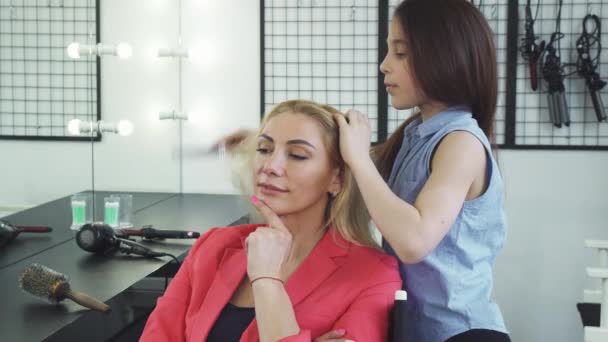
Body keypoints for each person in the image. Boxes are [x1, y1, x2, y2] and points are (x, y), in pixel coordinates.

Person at [140, 100, 401, 342]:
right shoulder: (213, 245)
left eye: (297, 155)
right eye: (264, 149)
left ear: (337, 179)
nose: (271, 166)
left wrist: (267, 281)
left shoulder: (374, 276)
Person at [333, 0, 511, 341]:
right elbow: (338, 159)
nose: (384, 66)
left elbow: (414, 241)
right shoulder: (416, 136)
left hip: (461, 333)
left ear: (446, 56)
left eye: (400, 54)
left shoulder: (462, 143)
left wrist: (359, 158)